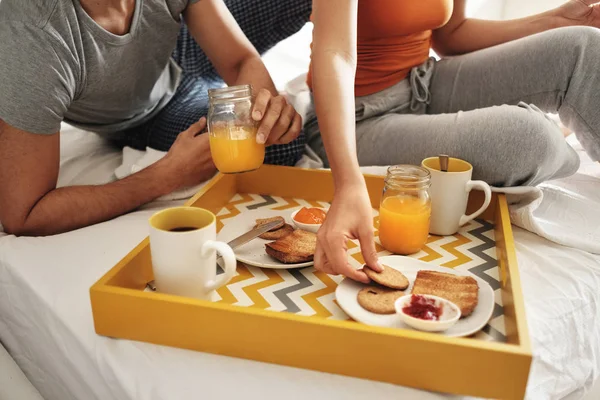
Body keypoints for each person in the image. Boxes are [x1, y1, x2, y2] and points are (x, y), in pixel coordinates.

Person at [307, 0, 600, 282]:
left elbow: (452, 34)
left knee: (586, 48)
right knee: (528, 138)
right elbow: (335, 52)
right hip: (358, 117)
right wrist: (348, 183)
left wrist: (555, 21)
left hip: (426, 80)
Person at [0, 0, 311, 236]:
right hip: (150, 109)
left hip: (180, 43)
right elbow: (23, 214)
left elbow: (240, 60)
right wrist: (165, 176)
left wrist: (265, 107)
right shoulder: (35, 39)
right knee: (274, 150)